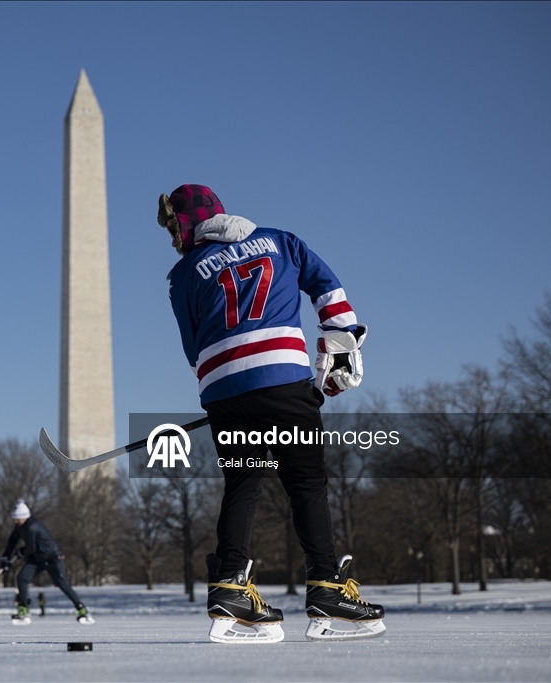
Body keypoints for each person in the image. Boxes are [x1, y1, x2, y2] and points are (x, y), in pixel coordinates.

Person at [158, 184, 385, 644]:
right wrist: (338, 349)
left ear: (188, 223)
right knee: (304, 481)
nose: (173, 238)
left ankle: (230, 587)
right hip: (282, 380)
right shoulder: (282, 241)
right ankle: (327, 589)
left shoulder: (181, 275)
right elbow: (330, 291)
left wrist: (234, 390)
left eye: (173, 227)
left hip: (223, 389)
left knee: (244, 481)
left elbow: (192, 349)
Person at [0, 499, 93, 626]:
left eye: (18, 519)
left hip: (52, 557)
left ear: (25, 516)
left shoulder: (32, 526)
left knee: (62, 584)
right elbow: (12, 542)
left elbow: (30, 547)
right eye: (15, 519)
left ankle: (82, 609)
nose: (16, 521)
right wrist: (5, 558)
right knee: (22, 577)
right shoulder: (20, 527)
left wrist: (20, 552)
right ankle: (23, 608)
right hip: (37, 558)